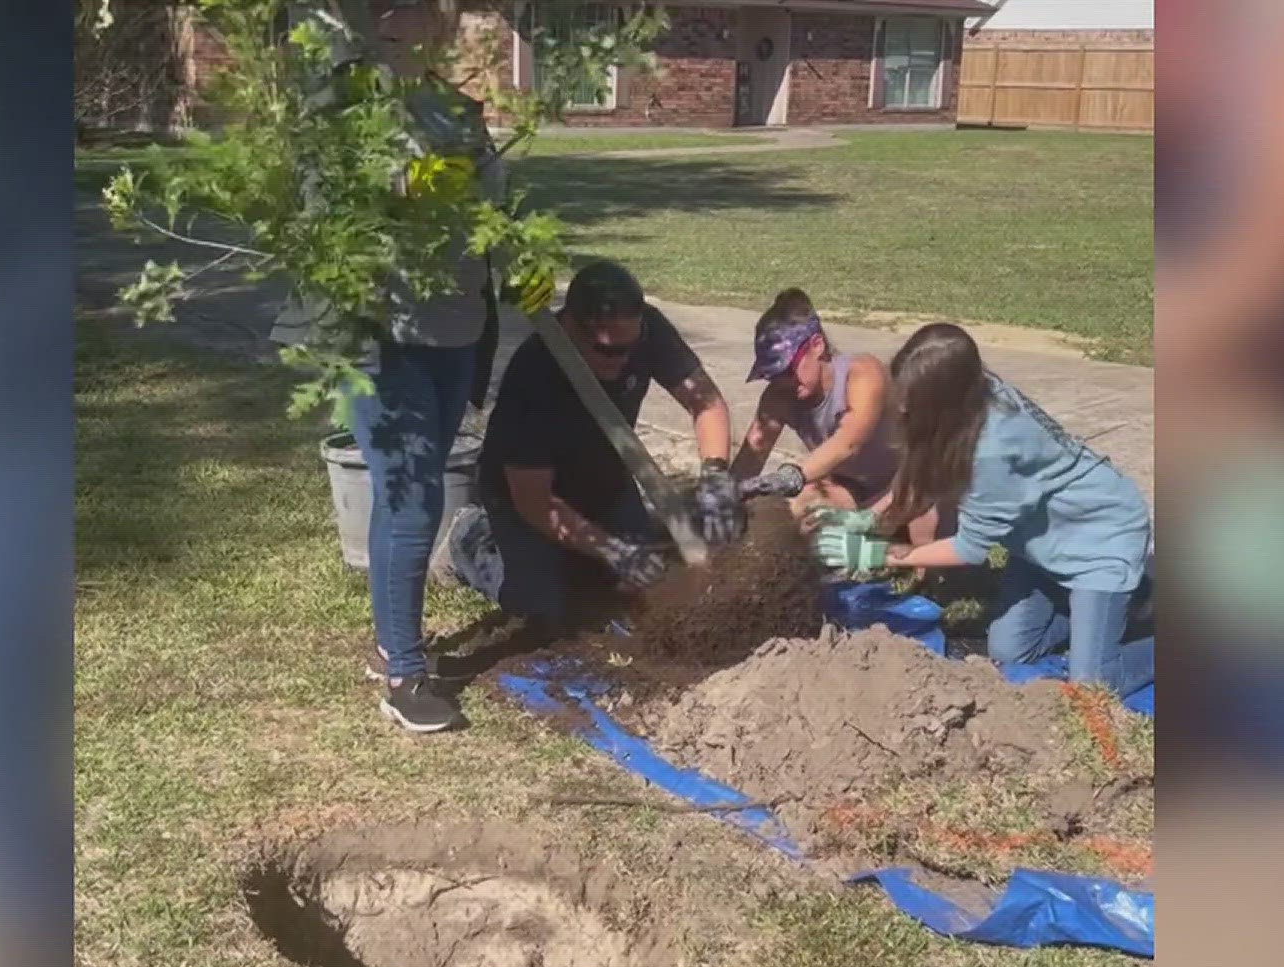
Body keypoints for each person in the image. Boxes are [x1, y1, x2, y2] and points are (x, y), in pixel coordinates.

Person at [270, 1, 550, 734]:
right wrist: (400, 185)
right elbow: (316, 209)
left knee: (422, 489)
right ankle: (404, 671)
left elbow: (497, 209)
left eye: (427, 8)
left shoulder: (460, 112)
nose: (409, 17)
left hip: (454, 328)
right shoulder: (336, 105)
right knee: (414, 496)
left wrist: (523, 262)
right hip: (376, 332)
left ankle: (393, 636)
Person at [810, 323, 1153, 698]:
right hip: (1041, 546)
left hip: (1098, 541)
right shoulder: (972, 392)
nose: (903, 406)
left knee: (1092, 686)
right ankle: (1120, 606)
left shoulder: (993, 450)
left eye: (913, 400)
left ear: (944, 400)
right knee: (1012, 651)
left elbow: (969, 549)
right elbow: (924, 464)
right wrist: (870, 518)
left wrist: (879, 554)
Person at [449, 260, 741, 631]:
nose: (623, 359)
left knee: (640, 588)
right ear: (570, 329)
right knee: (550, 611)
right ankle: (472, 542)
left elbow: (706, 403)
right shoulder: (533, 374)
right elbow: (534, 501)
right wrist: (613, 550)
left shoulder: (645, 330)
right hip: (527, 496)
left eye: (629, 348)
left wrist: (715, 476)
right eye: (608, 351)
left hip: (607, 478)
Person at [729, 288, 916, 526]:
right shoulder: (780, 395)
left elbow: (848, 443)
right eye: (772, 375)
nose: (782, 382)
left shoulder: (863, 373)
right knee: (793, 513)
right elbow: (748, 462)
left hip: (903, 486)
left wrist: (792, 476)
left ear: (816, 345)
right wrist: (724, 497)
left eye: (787, 370)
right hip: (851, 490)